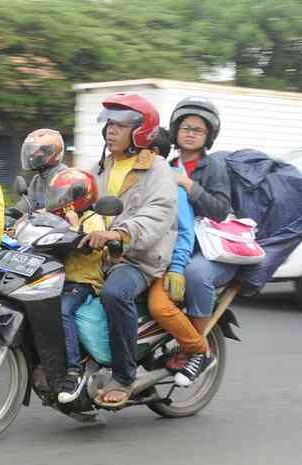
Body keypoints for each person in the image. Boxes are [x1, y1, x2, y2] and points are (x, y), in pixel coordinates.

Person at [80, 93, 178, 408]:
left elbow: (157, 215)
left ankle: (124, 375)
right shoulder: (98, 166)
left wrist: (120, 233)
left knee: (114, 294)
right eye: (109, 124)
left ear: (140, 131)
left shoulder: (157, 169)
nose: (111, 130)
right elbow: (73, 195)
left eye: (120, 125)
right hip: (98, 255)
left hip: (138, 259)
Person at [162, 97, 236, 385]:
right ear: (175, 130)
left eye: (198, 130)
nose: (190, 133)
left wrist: (189, 186)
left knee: (195, 274)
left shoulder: (213, 168)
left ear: (208, 137)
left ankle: (197, 350)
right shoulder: (166, 164)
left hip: (205, 249)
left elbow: (220, 210)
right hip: (170, 244)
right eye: (186, 127)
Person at [146, 128, 210, 386]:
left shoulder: (172, 182)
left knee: (159, 307)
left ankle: (198, 349)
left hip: (163, 263)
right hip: (130, 260)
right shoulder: (119, 175)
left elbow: (184, 232)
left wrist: (177, 267)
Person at [44, 167, 105, 403]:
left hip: (83, 281)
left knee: (63, 311)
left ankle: (73, 370)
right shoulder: (57, 217)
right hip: (57, 278)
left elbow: (89, 243)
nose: (60, 201)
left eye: (65, 196)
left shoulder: (93, 219)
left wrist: (73, 225)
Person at [14, 129, 68, 214]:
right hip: (41, 224)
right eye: (31, 151)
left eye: (39, 150)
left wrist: (37, 214)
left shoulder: (63, 177)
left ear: (51, 152)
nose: (32, 155)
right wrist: (11, 214)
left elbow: (58, 208)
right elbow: (28, 203)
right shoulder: (37, 180)